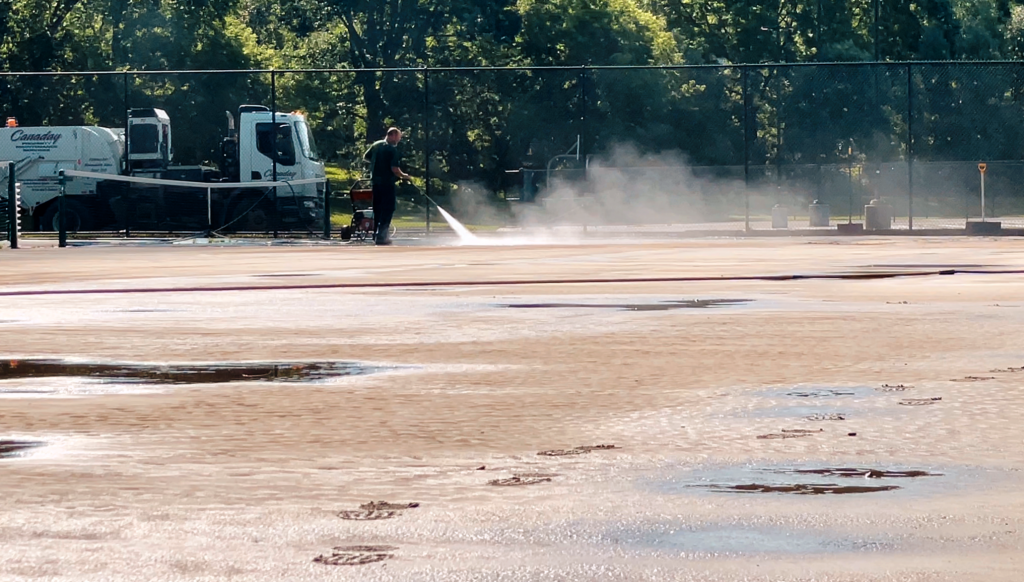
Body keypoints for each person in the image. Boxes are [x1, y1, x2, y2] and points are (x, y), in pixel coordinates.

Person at [363, 127, 411, 245]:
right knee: (388, 208)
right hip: (387, 182)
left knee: (378, 209)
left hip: (375, 182)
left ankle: (376, 235)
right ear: (393, 135)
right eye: (399, 137)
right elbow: (394, 169)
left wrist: (377, 163)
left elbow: (366, 157)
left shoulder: (376, 145)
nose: (399, 139)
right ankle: (382, 235)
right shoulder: (392, 150)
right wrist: (404, 176)